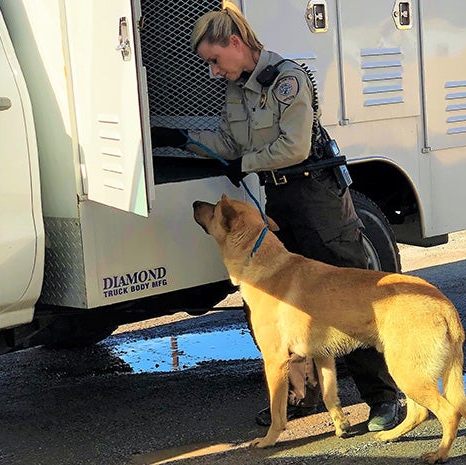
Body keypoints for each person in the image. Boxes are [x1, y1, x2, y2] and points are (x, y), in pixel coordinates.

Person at [151, 4, 400, 432]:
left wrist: (246, 161)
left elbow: (294, 147)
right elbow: (229, 140)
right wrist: (184, 140)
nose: (213, 71)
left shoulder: (287, 79)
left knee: (347, 299)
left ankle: (383, 398)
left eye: (215, 59)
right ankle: (297, 398)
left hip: (318, 197)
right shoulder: (235, 90)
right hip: (279, 200)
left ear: (236, 43)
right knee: (274, 305)